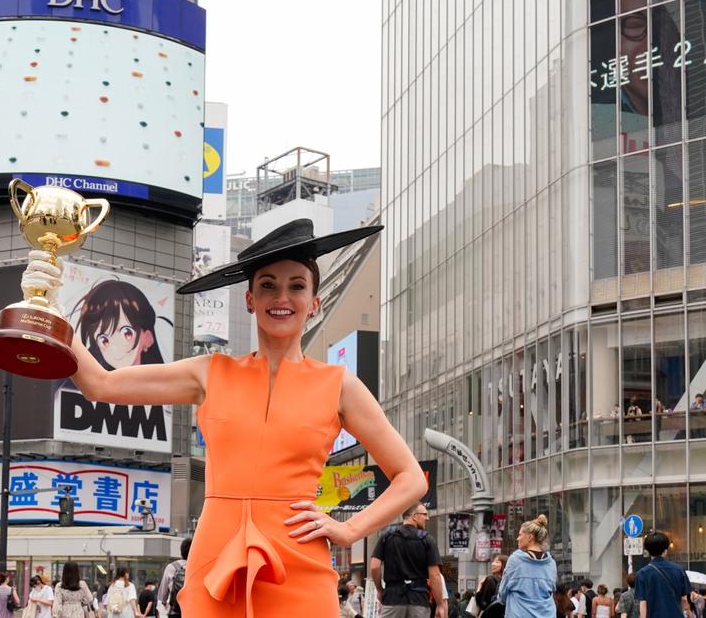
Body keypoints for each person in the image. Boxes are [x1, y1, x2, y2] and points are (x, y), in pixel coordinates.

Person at [25, 218, 427, 616]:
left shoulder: (341, 385)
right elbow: (100, 384)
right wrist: (51, 308)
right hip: (215, 560)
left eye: (297, 286)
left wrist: (350, 529)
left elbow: (410, 477)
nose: (281, 296)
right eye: (267, 284)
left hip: (300, 565)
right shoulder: (209, 372)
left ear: (315, 301)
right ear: (250, 300)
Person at [370, 503, 444, 618]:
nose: (427, 518)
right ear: (414, 516)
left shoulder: (386, 536)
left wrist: (380, 590)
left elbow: (375, 566)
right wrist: (440, 604)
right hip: (419, 601)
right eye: (424, 514)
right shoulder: (427, 539)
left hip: (392, 599)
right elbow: (435, 575)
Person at [498, 515, 558, 618]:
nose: (517, 538)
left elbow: (502, 593)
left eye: (520, 535)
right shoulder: (551, 563)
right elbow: (551, 590)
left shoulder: (516, 560)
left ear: (530, 537)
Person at [634, 531, 691, 618]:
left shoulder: (642, 573)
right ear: (665, 550)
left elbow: (643, 603)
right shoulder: (679, 570)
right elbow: (684, 600)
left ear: (648, 551)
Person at [157, 537, 190, 618]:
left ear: (181, 552)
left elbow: (162, 596)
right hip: (193, 611)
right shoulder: (199, 567)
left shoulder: (171, 567)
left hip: (176, 612)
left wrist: (165, 603)